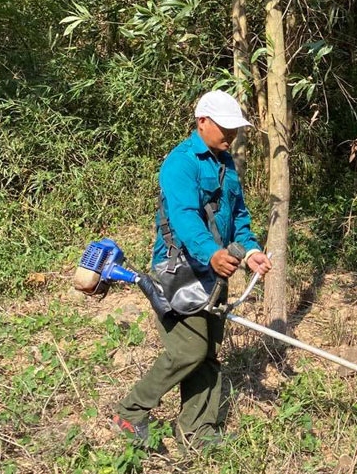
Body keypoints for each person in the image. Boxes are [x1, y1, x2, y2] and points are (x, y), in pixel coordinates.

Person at [112, 90, 272, 449]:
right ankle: (131, 410)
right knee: (188, 351)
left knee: (209, 354)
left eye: (235, 129)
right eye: (225, 127)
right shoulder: (180, 163)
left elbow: (239, 217)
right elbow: (184, 218)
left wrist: (249, 252)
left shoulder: (227, 164)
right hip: (179, 272)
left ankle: (196, 432)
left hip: (217, 270)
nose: (231, 135)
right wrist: (211, 253)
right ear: (203, 122)